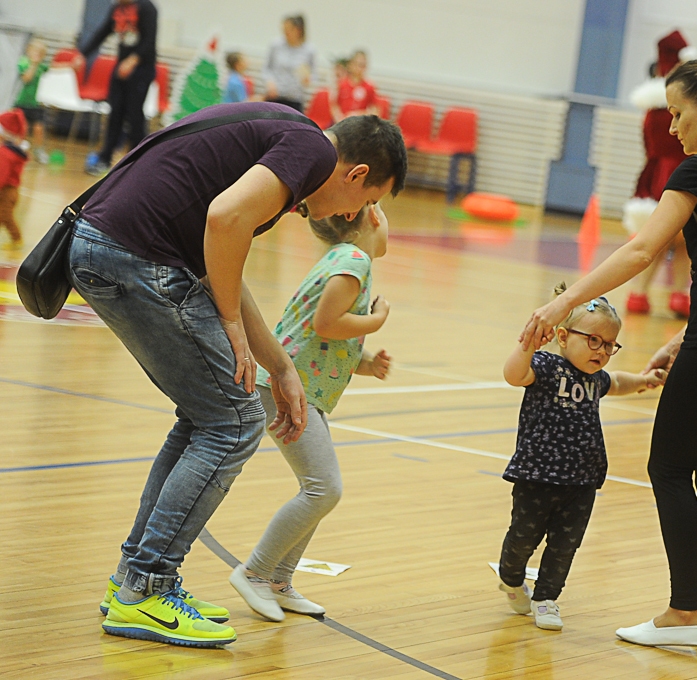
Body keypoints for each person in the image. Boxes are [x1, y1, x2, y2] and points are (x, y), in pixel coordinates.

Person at [75, 103, 407, 648]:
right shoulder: (311, 151)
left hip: (110, 242)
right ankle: (145, 589)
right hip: (132, 251)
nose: (354, 215)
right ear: (356, 174)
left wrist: (280, 366)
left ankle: (132, 581)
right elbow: (224, 219)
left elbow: (220, 259)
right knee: (233, 423)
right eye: (366, 201)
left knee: (208, 417)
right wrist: (227, 320)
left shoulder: (289, 138)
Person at [519, 46, 697, 655]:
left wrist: (562, 307)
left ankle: (682, 610)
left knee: (669, 470)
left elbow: (641, 251)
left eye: (677, 114)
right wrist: (680, 337)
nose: (672, 128)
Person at [230, 204, 393, 621]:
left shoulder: (343, 259)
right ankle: (255, 572)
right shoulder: (354, 260)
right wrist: (375, 321)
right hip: (284, 389)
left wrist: (367, 362)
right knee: (324, 489)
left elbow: (322, 338)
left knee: (318, 490)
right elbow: (326, 323)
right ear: (371, 215)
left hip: (299, 389)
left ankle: (280, 581)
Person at [499, 286, 665, 631]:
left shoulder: (595, 379)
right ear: (562, 336)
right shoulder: (546, 366)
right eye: (594, 341)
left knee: (565, 545)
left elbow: (617, 382)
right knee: (522, 539)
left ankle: (546, 598)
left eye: (609, 345)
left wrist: (645, 381)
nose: (602, 352)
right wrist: (528, 342)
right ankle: (511, 578)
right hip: (537, 475)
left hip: (582, 480)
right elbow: (514, 374)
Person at [624, 34, 697, 318]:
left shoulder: (650, 106)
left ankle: (639, 294)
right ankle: (678, 295)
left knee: (657, 239)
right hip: (680, 172)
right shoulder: (679, 103)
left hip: (655, 172)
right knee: (681, 239)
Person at [78, 0, 158, 176]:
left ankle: (140, 160)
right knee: (115, 113)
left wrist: (133, 61)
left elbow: (149, 41)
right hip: (121, 68)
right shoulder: (118, 8)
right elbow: (103, 31)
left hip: (141, 69)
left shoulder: (147, 8)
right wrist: (83, 54)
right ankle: (105, 157)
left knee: (134, 114)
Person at [264, 15, 315, 112]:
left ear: (298, 30)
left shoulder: (309, 50)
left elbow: (313, 74)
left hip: (294, 98)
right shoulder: (275, 45)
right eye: (284, 29)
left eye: (289, 29)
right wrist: (269, 82)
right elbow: (267, 68)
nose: (285, 32)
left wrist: (308, 79)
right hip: (275, 95)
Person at [15, 39, 49, 165]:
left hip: (33, 103)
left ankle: (38, 150)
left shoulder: (41, 66)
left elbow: (53, 67)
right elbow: (27, 78)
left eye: (41, 53)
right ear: (28, 51)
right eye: (36, 52)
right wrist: (33, 64)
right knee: (21, 128)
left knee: (39, 127)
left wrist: (70, 65)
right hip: (20, 102)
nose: (38, 56)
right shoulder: (24, 63)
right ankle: (16, 149)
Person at [0, 109, 28, 249]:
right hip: (9, 190)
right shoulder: (13, 152)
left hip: (6, 191)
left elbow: (2, 175)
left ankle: (17, 239)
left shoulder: (5, 153)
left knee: (5, 216)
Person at [337, 50, 379, 118]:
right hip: (341, 122)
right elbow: (334, 105)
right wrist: (339, 118)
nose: (360, 68)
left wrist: (358, 114)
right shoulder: (342, 83)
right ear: (350, 64)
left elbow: (375, 110)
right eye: (358, 64)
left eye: (363, 65)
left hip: (359, 123)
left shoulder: (369, 86)